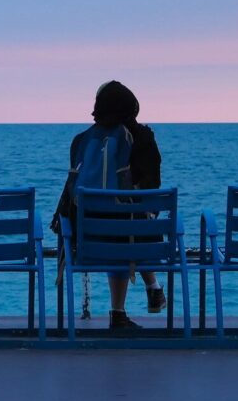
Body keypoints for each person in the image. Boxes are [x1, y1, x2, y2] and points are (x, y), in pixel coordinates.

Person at [51, 80, 166, 330]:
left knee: (121, 226)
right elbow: (152, 188)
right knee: (132, 224)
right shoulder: (142, 138)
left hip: (88, 240)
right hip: (133, 237)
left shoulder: (85, 141)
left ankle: (124, 309)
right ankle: (149, 289)